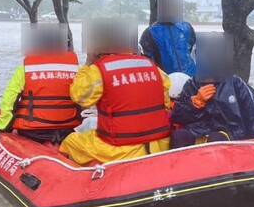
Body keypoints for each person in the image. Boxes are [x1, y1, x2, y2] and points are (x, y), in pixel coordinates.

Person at [59, 21, 172, 165]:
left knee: (71, 142)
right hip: (158, 145)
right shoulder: (154, 68)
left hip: (120, 149)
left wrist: (89, 61)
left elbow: (79, 96)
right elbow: (166, 101)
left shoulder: (99, 71)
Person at [170, 32, 254, 147]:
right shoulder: (191, 84)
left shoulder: (236, 84)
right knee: (179, 136)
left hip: (229, 134)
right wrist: (195, 103)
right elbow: (177, 117)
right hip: (197, 132)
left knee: (216, 138)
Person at [0, 24, 81, 143]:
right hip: (67, 129)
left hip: (34, 131)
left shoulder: (26, 68)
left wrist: (3, 127)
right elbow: (83, 98)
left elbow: (10, 100)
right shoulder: (75, 69)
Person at [139, 0, 197, 75]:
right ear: (158, 8)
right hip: (167, 81)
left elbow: (192, 48)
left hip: (190, 78)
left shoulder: (187, 28)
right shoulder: (150, 33)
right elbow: (148, 61)